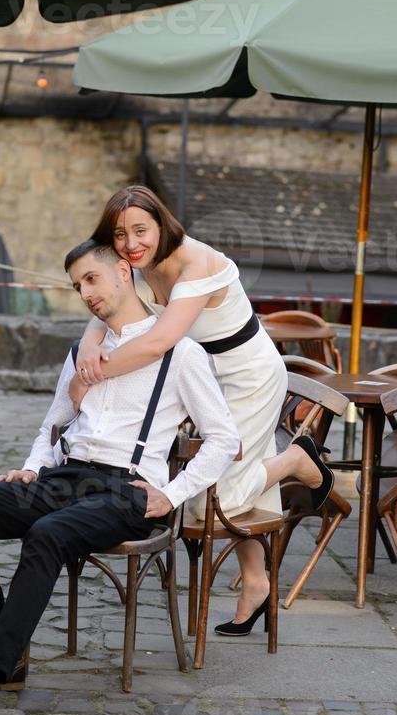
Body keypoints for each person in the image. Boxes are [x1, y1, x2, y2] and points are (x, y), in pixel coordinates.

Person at [0, 239, 241, 715]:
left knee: (48, 533)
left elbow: (226, 439)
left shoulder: (180, 354)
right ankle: (3, 653)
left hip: (127, 490)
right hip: (63, 476)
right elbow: (52, 425)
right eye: (77, 286)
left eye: (92, 279)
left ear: (123, 270)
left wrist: (174, 493)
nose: (85, 293)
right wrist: (32, 467)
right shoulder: (82, 351)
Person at [76, 185, 333, 637]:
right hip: (201, 379)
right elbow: (107, 309)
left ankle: (296, 460)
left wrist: (95, 375)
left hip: (247, 375)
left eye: (141, 230)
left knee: (216, 499)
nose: (131, 244)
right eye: (120, 235)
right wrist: (90, 347)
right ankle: (256, 582)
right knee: (226, 486)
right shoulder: (136, 266)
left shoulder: (195, 263)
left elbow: (158, 341)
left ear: (162, 224)